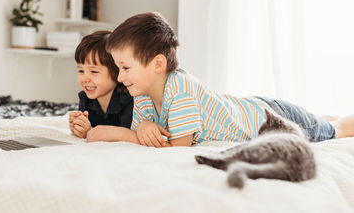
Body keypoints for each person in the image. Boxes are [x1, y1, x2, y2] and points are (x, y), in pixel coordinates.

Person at [86, 12, 354, 147]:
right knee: (318, 119)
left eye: (125, 68)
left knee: (335, 131)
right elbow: (150, 137)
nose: (120, 77)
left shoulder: (180, 87)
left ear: (158, 64)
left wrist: (120, 134)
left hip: (271, 121)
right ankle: (321, 116)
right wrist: (141, 125)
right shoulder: (142, 93)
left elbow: (177, 146)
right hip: (248, 106)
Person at [69, 30, 133, 139]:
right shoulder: (85, 98)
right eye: (81, 71)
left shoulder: (129, 101)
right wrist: (79, 127)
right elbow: (88, 131)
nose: (85, 78)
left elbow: (126, 136)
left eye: (94, 72)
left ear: (117, 72)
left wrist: (91, 132)